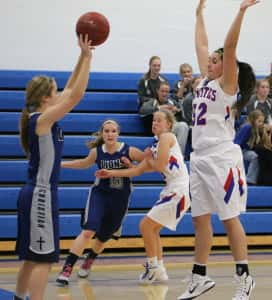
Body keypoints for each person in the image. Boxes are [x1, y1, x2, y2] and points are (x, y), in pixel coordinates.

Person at [177, 1, 258, 300]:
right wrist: (199, 14)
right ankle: (199, 276)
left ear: (227, 65)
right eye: (209, 60)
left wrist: (241, 11)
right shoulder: (204, 83)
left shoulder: (227, 84)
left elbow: (229, 44)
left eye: (214, 60)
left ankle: (244, 276)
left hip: (222, 157)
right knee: (199, 218)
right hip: (198, 157)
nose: (208, 62)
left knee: (228, 218)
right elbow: (201, 42)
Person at [14, 34, 93, 300]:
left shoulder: (41, 114)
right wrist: (90, 59)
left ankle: (19, 297)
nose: (60, 93)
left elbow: (71, 88)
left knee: (30, 255)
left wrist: (82, 55)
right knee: (44, 259)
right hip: (41, 194)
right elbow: (77, 94)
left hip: (35, 193)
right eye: (55, 90)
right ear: (47, 97)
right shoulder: (43, 119)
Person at [96, 110, 190, 285]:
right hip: (173, 189)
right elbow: (138, 171)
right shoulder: (155, 145)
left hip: (179, 188)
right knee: (152, 229)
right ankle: (159, 269)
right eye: (153, 120)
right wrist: (111, 173)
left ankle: (152, 267)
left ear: (169, 124)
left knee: (145, 225)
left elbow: (159, 165)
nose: (155, 123)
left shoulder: (167, 137)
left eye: (159, 120)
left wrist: (147, 160)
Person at [56, 120, 144, 286]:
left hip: (120, 198)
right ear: (102, 134)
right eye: (106, 131)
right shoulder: (97, 152)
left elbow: (146, 164)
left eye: (113, 131)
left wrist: (130, 165)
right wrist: (60, 164)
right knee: (88, 231)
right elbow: (83, 163)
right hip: (100, 194)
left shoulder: (129, 150)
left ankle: (90, 259)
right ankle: (67, 268)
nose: (110, 134)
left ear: (118, 133)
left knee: (103, 238)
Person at [139, 81, 189, 155]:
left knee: (183, 126)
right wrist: (159, 108)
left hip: (171, 128)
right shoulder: (152, 101)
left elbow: (182, 113)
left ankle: (178, 154)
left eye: (167, 92)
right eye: (162, 91)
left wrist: (177, 111)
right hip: (157, 129)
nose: (164, 94)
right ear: (157, 91)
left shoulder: (172, 102)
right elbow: (142, 110)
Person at [234, 110, 265, 185]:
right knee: (255, 157)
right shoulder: (247, 127)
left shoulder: (258, 129)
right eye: (259, 121)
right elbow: (237, 142)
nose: (261, 124)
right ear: (253, 120)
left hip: (248, 150)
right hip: (240, 150)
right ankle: (249, 180)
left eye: (262, 121)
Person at [137, 56, 168, 129]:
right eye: (154, 65)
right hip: (148, 110)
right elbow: (141, 98)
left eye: (158, 66)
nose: (157, 68)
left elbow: (166, 95)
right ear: (150, 65)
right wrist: (154, 102)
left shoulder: (163, 80)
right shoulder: (143, 81)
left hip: (161, 109)